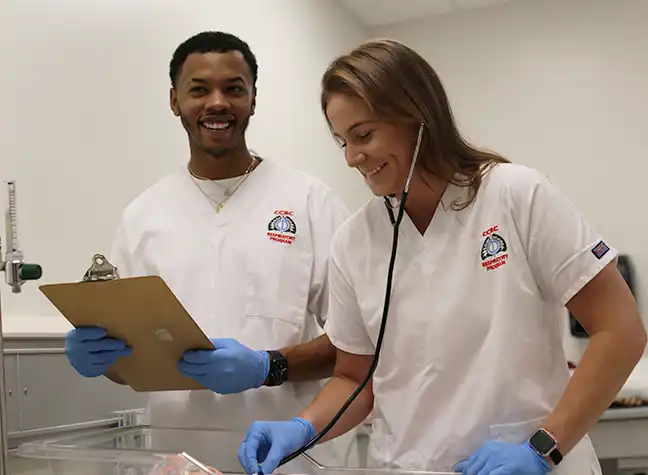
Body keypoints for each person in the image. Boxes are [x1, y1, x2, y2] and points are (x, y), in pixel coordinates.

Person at [238, 38, 647, 475]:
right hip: (407, 466)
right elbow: (355, 380)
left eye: (363, 135)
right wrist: (301, 428)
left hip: (528, 461)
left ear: (417, 116)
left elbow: (620, 331)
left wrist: (542, 448)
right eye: (342, 142)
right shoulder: (353, 242)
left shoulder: (515, 196)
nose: (353, 157)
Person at [63, 31, 354, 471]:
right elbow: (130, 364)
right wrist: (101, 359)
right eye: (199, 89)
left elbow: (358, 344)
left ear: (253, 99)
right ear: (174, 100)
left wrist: (267, 366)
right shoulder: (142, 216)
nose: (217, 103)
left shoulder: (311, 202)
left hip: (289, 459)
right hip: (175, 457)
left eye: (234, 89)